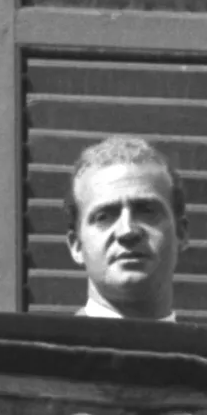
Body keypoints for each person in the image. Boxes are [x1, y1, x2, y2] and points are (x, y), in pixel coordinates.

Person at [64, 135, 189, 321]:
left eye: (147, 212)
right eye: (103, 217)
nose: (127, 231)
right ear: (76, 245)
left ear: (181, 233)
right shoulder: (40, 350)